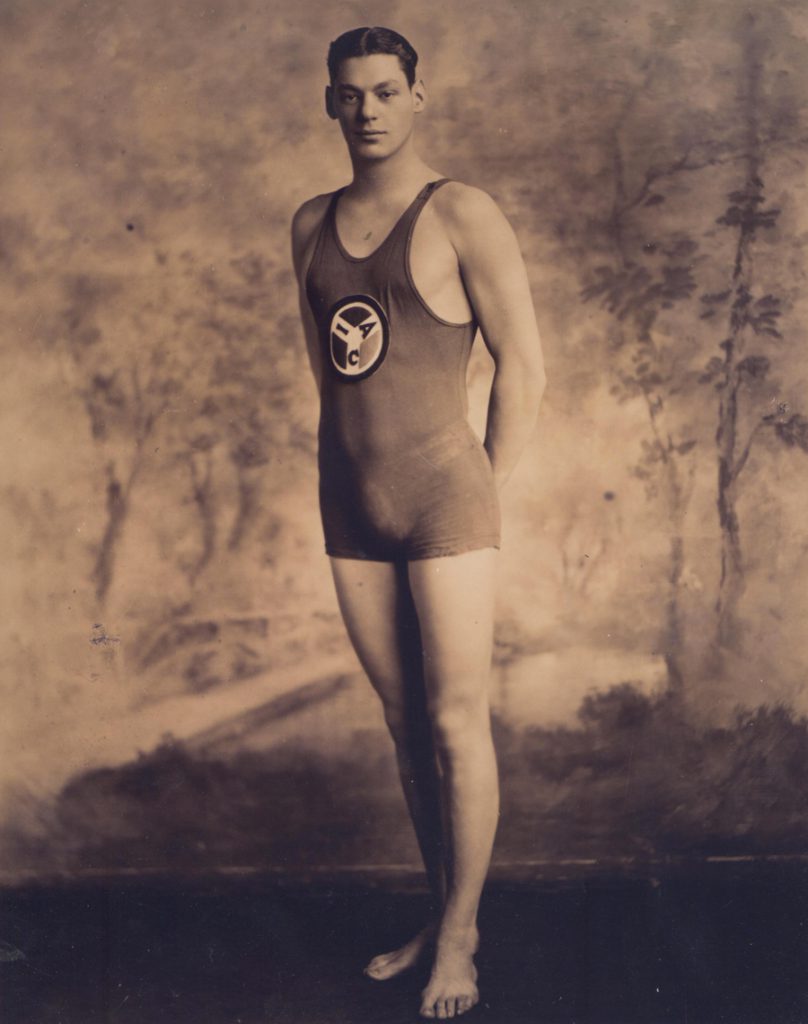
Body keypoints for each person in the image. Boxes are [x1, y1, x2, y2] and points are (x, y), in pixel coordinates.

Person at [291, 26, 545, 1020]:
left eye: (387, 91)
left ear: (416, 98)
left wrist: (486, 484)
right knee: (404, 723)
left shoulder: (462, 211)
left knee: (452, 719)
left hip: (447, 500)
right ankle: (438, 913)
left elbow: (521, 363)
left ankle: (461, 940)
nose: (369, 111)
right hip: (348, 501)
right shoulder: (307, 224)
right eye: (350, 95)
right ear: (328, 103)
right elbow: (331, 374)